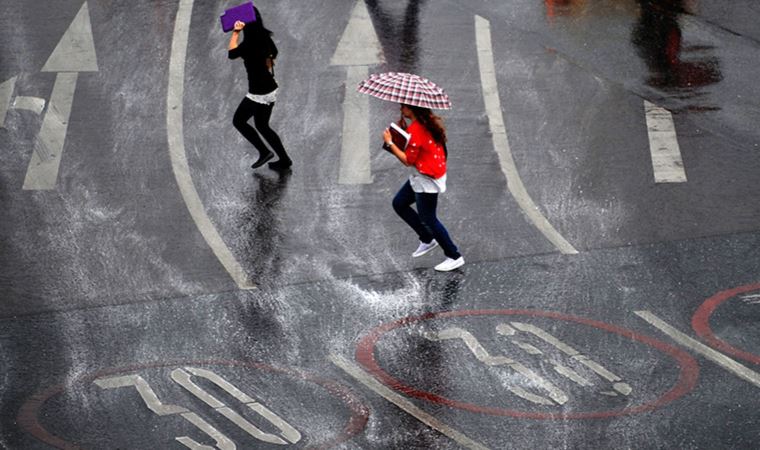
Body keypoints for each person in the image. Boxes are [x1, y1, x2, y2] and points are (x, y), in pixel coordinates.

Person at [383, 104, 464, 272]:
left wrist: (390, 143)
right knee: (399, 203)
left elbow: (408, 161)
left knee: (429, 218)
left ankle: (454, 256)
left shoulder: (417, 130)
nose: (401, 108)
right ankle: (427, 238)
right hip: (424, 175)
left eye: (404, 106)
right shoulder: (426, 123)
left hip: (427, 180)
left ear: (412, 109)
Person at [228, 9, 292, 170]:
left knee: (239, 121)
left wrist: (236, 32)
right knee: (262, 125)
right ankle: (284, 160)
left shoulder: (248, 44)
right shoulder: (265, 37)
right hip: (270, 87)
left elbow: (231, 53)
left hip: (258, 92)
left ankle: (264, 152)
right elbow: (274, 53)